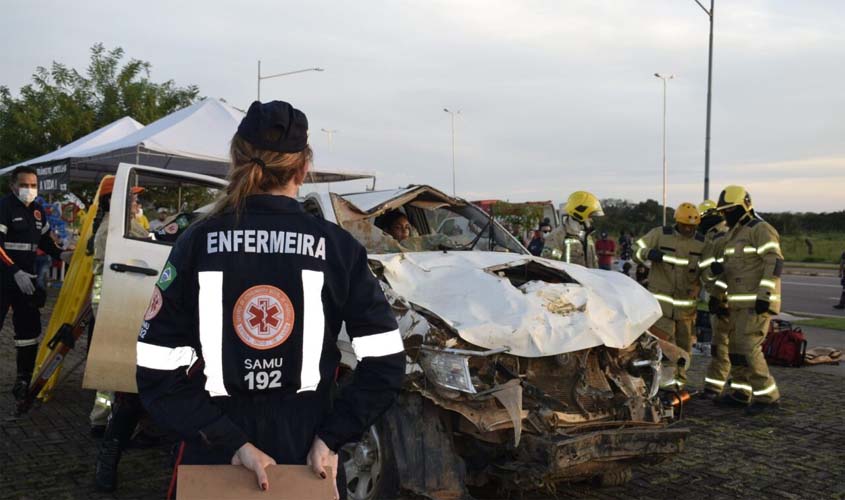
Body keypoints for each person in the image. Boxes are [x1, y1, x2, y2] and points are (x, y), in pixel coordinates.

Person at [136, 100, 404, 498]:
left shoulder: (196, 242)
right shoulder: (338, 248)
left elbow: (155, 367)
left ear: (236, 159)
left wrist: (229, 441)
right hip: (309, 459)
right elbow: (386, 362)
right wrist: (332, 437)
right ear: (303, 169)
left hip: (216, 457)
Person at [0, 166, 71, 401]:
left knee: (28, 331)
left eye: (33, 185)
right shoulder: (4, 207)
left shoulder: (38, 211)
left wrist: (61, 254)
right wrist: (14, 270)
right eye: (24, 185)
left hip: (27, 281)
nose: (29, 189)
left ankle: (23, 380)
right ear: (13, 186)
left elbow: (44, 241)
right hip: (4, 278)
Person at [709, 186, 782, 415]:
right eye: (724, 211)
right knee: (736, 350)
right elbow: (729, 272)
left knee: (749, 348)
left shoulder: (760, 229)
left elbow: (774, 261)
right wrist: (717, 296)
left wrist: (765, 295)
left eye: (730, 210)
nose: (726, 214)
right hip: (736, 304)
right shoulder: (733, 235)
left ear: (744, 207)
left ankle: (767, 397)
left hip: (755, 303)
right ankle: (741, 392)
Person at [89, 178, 147, 441]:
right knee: (115, 361)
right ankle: (107, 421)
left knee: (110, 360)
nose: (136, 202)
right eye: (132, 197)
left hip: (112, 297)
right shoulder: (117, 226)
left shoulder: (118, 224)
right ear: (114, 199)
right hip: (112, 298)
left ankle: (102, 418)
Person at [633, 202, 707, 393]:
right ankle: (656, 383)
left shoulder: (702, 243)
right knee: (659, 347)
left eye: (692, 226)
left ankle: (678, 384)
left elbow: (707, 271)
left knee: (683, 350)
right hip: (660, 307)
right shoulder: (660, 234)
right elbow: (636, 250)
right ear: (677, 222)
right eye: (685, 225)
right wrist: (648, 253)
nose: (688, 229)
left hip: (686, 310)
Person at [696, 200, 731, 398]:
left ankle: (733, 389)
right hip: (722, 299)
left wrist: (719, 297)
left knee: (725, 347)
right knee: (722, 347)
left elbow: (727, 274)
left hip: (725, 301)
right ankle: (715, 388)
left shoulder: (721, 238)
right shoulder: (716, 237)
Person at [544, 191, 602, 267]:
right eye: (590, 215)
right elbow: (549, 265)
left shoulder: (587, 236)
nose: (591, 220)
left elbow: (594, 263)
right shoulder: (557, 236)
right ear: (580, 213)